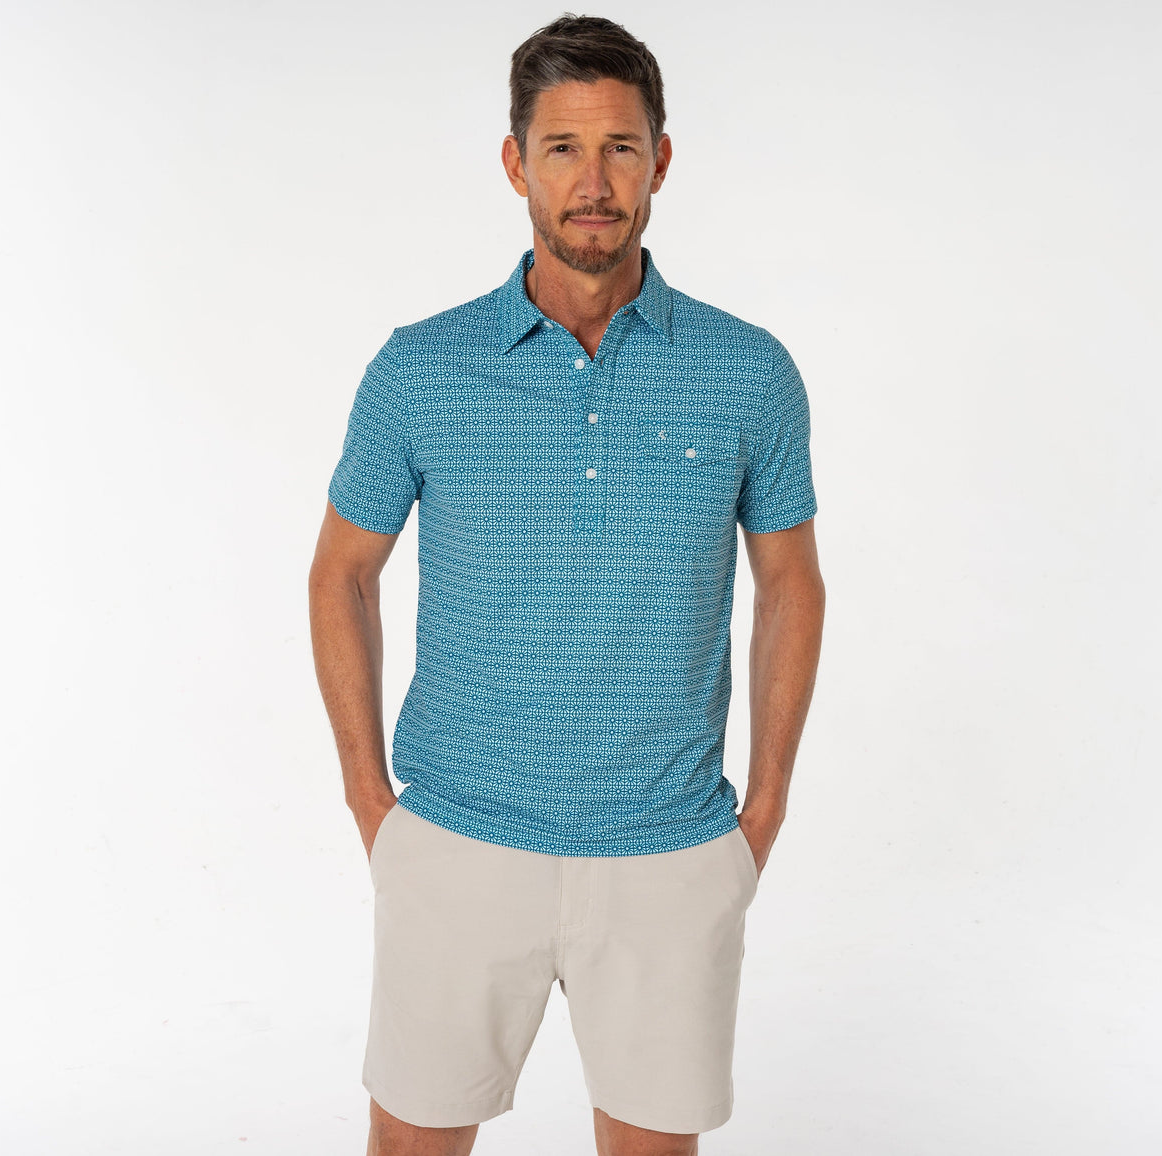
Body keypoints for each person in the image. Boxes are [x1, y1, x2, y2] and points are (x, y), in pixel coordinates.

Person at [309, 14, 824, 1156]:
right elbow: (341, 573)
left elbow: (789, 583)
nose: (593, 183)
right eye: (562, 149)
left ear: (660, 160)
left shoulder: (747, 370)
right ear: (515, 163)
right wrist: (370, 803)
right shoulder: (420, 368)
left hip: (670, 850)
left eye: (620, 148)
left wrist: (764, 809)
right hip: (459, 836)